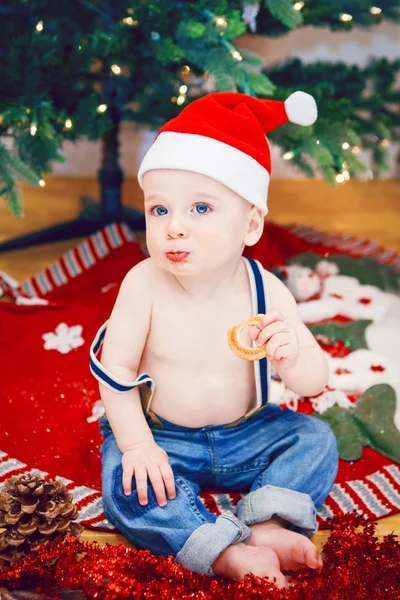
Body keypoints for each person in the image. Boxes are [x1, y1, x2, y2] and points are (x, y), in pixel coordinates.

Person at [90, 91, 339, 588]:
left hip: (247, 431)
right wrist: (139, 443)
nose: (175, 228)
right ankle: (219, 549)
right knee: (123, 475)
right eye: (159, 211)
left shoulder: (264, 289)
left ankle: (268, 524)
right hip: (166, 435)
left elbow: (315, 379)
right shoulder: (144, 284)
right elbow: (115, 371)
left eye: (201, 208)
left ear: (250, 224)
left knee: (315, 439)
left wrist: (293, 357)